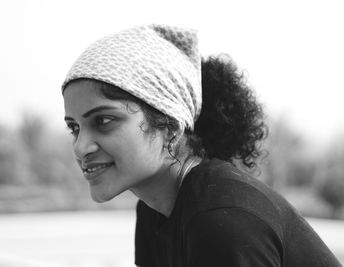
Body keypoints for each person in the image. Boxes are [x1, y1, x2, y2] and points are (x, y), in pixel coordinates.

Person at [61, 24, 342, 267]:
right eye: (74, 127)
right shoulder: (153, 211)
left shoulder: (222, 219)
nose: (80, 147)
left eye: (104, 120)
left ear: (170, 125)